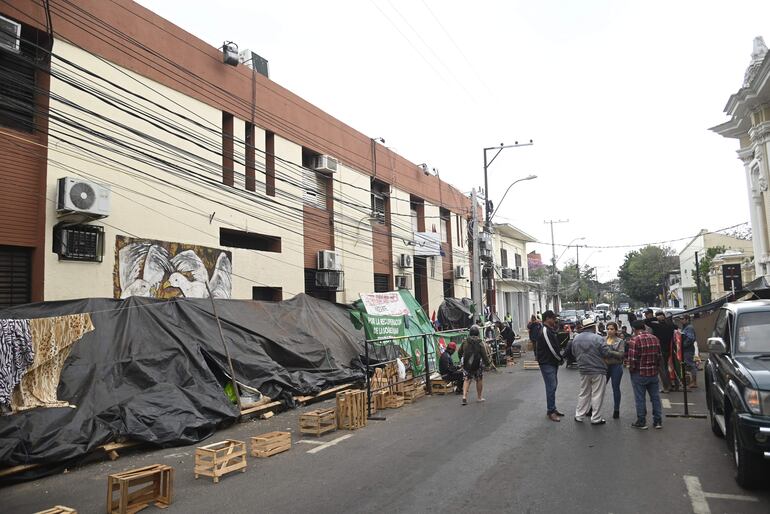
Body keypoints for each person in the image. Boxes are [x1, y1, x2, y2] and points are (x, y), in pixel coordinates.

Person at [571, 318, 624, 425]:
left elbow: (573, 353)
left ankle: (579, 415)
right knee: (597, 394)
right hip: (598, 369)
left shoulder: (576, 338)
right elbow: (606, 353)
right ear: (593, 327)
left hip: (583, 369)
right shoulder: (598, 338)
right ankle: (596, 418)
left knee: (584, 393)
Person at [627, 320, 663, 429]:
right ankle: (658, 421)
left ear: (634, 329)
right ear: (644, 327)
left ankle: (641, 421)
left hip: (640, 373)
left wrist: (631, 370)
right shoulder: (655, 338)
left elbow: (632, 359)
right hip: (653, 373)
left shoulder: (634, 340)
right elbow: (659, 356)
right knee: (655, 397)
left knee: (640, 398)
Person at [535, 310, 565, 422]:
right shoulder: (545, 330)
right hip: (547, 362)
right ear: (547, 318)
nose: (555, 320)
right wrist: (560, 358)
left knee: (553, 386)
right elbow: (551, 348)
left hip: (552, 362)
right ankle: (551, 411)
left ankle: (553, 408)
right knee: (551, 386)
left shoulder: (550, 330)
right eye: (553, 318)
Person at [459, 325, 490, 405]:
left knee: (466, 379)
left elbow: (459, 352)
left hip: (467, 364)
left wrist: (461, 360)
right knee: (479, 379)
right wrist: (487, 364)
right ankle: (479, 397)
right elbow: (484, 354)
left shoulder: (465, 341)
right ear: (478, 333)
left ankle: (464, 396)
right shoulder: (480, 342)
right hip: (477, 364)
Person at [644, 310, 675, 393]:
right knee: (666, 367)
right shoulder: (670, 326)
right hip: (669, 349)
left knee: (662, 369)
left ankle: (666, 387)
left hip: (660, 349)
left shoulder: (657, 326)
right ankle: (670, 385)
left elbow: (646, 321)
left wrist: (655, 318)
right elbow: (675, 326)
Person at [604, 322, 626, 419]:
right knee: (599, 389)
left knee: (615, 388)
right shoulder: (602, 340)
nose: (609, 331)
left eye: (612, 329)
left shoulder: (620, 341)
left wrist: (609, 352)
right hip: (604, 366)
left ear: (616, 330)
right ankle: (593, 408)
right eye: (608, 329)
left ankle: (616, 409)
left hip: (616, 367)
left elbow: (621, 355)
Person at [680, 315, 697, 389]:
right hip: (685, 349)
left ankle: (694, 382)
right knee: (687, 365)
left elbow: (690, 338)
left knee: (691, 364)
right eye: (681, 319)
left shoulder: (689, 328)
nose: (681, 320)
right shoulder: (685, 327)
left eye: (682, 319)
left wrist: (683, 345)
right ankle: (689, 381)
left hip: (688, 350)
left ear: (687, 319)